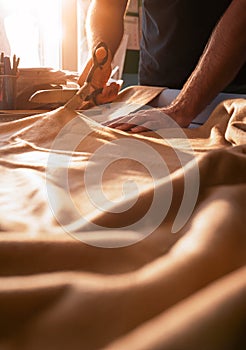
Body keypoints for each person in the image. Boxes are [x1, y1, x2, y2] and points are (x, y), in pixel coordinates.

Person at [78, 0, 246, 131]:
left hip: (232, 101)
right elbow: (109, 4)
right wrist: (101, 53)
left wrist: (182, 109)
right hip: (155, 95)